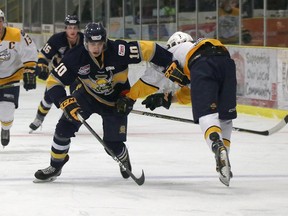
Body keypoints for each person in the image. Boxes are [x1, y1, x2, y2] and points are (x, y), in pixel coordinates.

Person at [33, 22, 183, 182]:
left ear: (104, 41)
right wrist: (64, 100)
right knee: (63, 129)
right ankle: (55, 166)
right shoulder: (75, 57)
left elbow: (150, 49)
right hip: (87, 97)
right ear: (86, 43)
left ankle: (123, 157)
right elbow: (54, 81)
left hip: (118, 100)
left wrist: (168, 62)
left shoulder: (119, 50)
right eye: (92, 43)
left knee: (112, 146)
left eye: (99, 43)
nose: (96, 48)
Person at [126, 31, 237, 186]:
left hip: (202, 62)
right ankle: (224, 158)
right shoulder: (191, 49)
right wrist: (169, 99)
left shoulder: (171, 52)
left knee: (207, 115)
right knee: (225, 117)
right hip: (225, 60)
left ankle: (217, 145)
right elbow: (192, 91)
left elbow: (150, 79)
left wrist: (129, 97)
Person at [29, 15, 84, 133]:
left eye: (75, 27)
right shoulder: (56, 39)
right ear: (65, 28)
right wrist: (42, 66)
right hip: (59, 75)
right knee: (48, 98)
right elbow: (44, 55)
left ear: (78, 28)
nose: (72, 30)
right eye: (70, 27)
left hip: (77, 76)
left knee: (76, 98)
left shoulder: (85, 40)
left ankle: (68, 120)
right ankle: (39, 118)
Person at [0, 9, 38, 147]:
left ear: (3, 22)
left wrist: (29, 69)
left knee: (7, 112)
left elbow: (30, 51)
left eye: (0, 21)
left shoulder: (16, 34)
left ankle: (5, 129)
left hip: (11, 77)